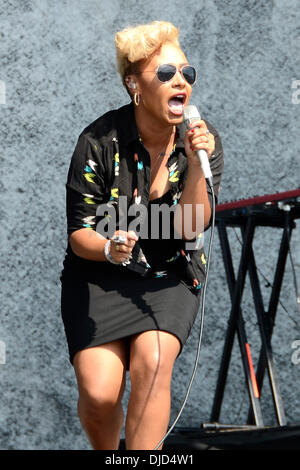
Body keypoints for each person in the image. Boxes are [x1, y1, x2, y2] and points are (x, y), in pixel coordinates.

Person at [60, 20, 224, 450]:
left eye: (187, 73)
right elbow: (80, 233)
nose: (180, 82)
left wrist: (193, 159)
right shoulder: (98, 141)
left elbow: (192, 225)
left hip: (169, 275)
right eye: (165, 74)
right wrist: (110, 248)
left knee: (153, 362)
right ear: (134, 85)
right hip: (100, 275)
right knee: (99, 395)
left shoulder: (202, 142)